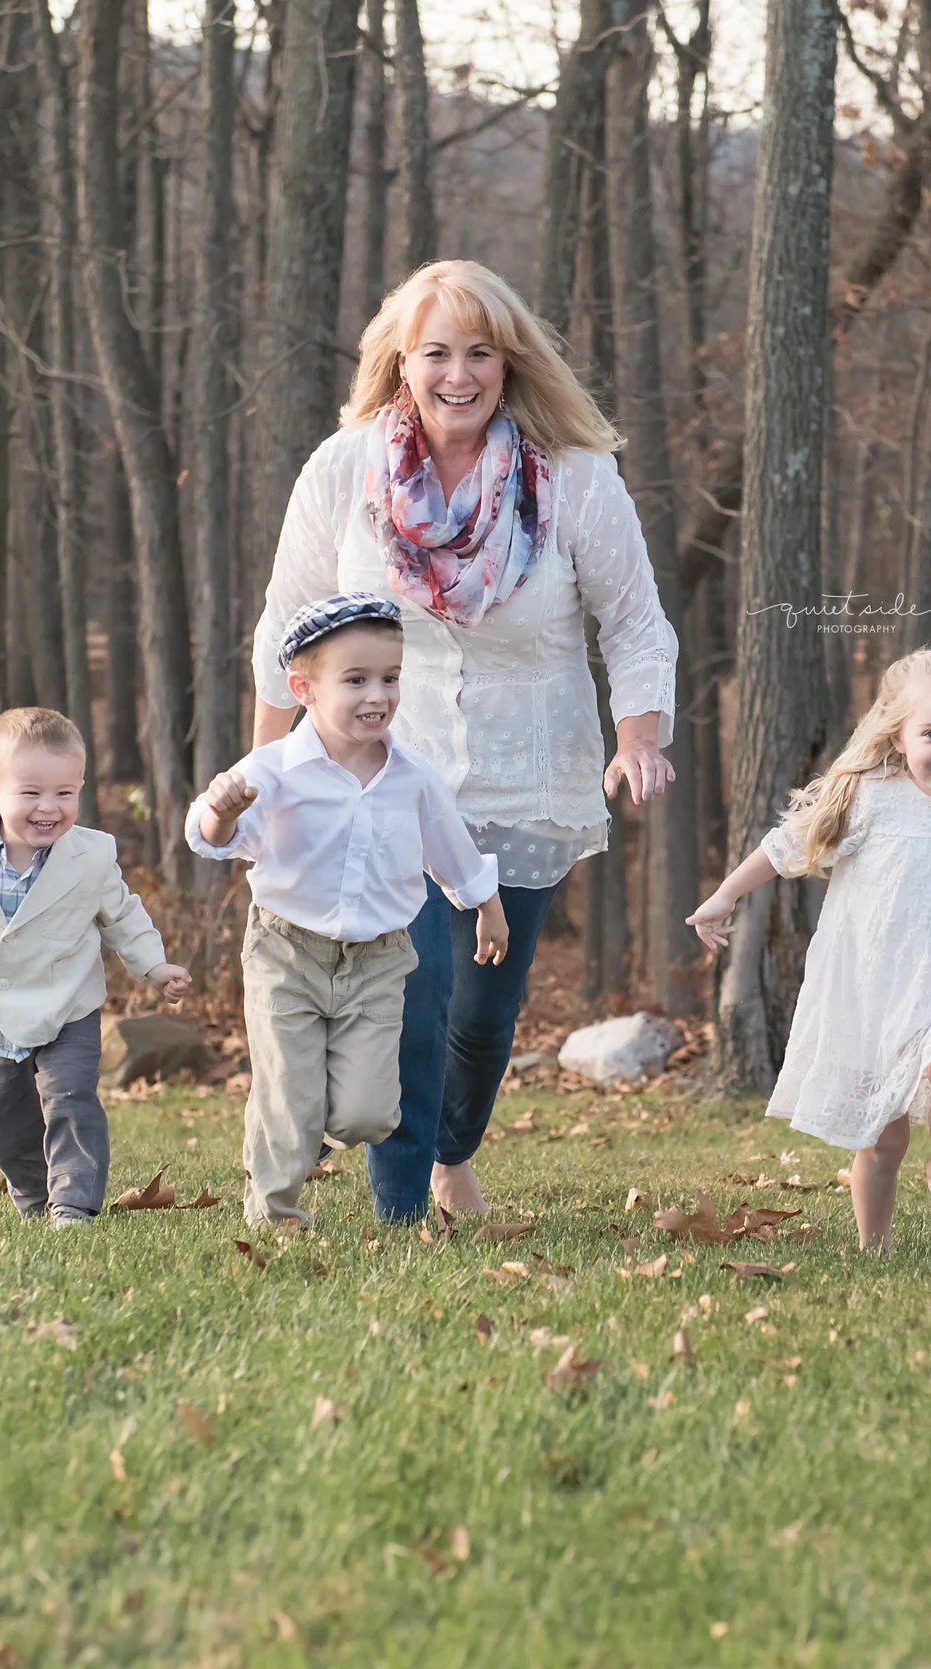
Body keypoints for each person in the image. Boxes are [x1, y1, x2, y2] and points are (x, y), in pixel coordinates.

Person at [247, 259, 678, 1225]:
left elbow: (636, 624)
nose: (458, 374)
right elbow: (287, 626)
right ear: (402, 363)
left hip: (527, 772)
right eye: (436, 352)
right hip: (379, 773)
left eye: (480, 352)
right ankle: (400, 1207)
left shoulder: (572, 477)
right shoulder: (346, 468)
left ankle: (451, 1150)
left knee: (482, 1014)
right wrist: (265, 773)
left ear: (508, 361)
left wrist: (638, 736)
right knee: (410, 994)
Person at [688, 650, 931, 1250]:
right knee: (882, 1140)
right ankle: (875, 1246)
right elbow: (787, 844)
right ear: (898, 737)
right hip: (872, 990)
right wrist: (725, 895)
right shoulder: (871, 797)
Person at [189, 593, 510, 1228]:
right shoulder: (274, 770)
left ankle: (306, 1122)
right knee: (289, 1094)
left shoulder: (413, 778)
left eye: (390, 678)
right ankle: (274, 1212)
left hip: (378, 961)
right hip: (286, 952)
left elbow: (453, 850)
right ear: (303, 689)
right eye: (356, 679)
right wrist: (221, 812)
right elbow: (213, 838)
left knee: (367, 1114)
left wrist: (488, 909)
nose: (378, 695)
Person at [0, 707, 191, 1226]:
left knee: (71, 1101)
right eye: (31, 793)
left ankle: (74, 1203)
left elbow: (123, 915)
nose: (49, 807)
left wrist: (154, 967)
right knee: (7, 1124)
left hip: (68, 1008)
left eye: (65, 792)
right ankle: (36, 1196)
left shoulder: (91, 855)